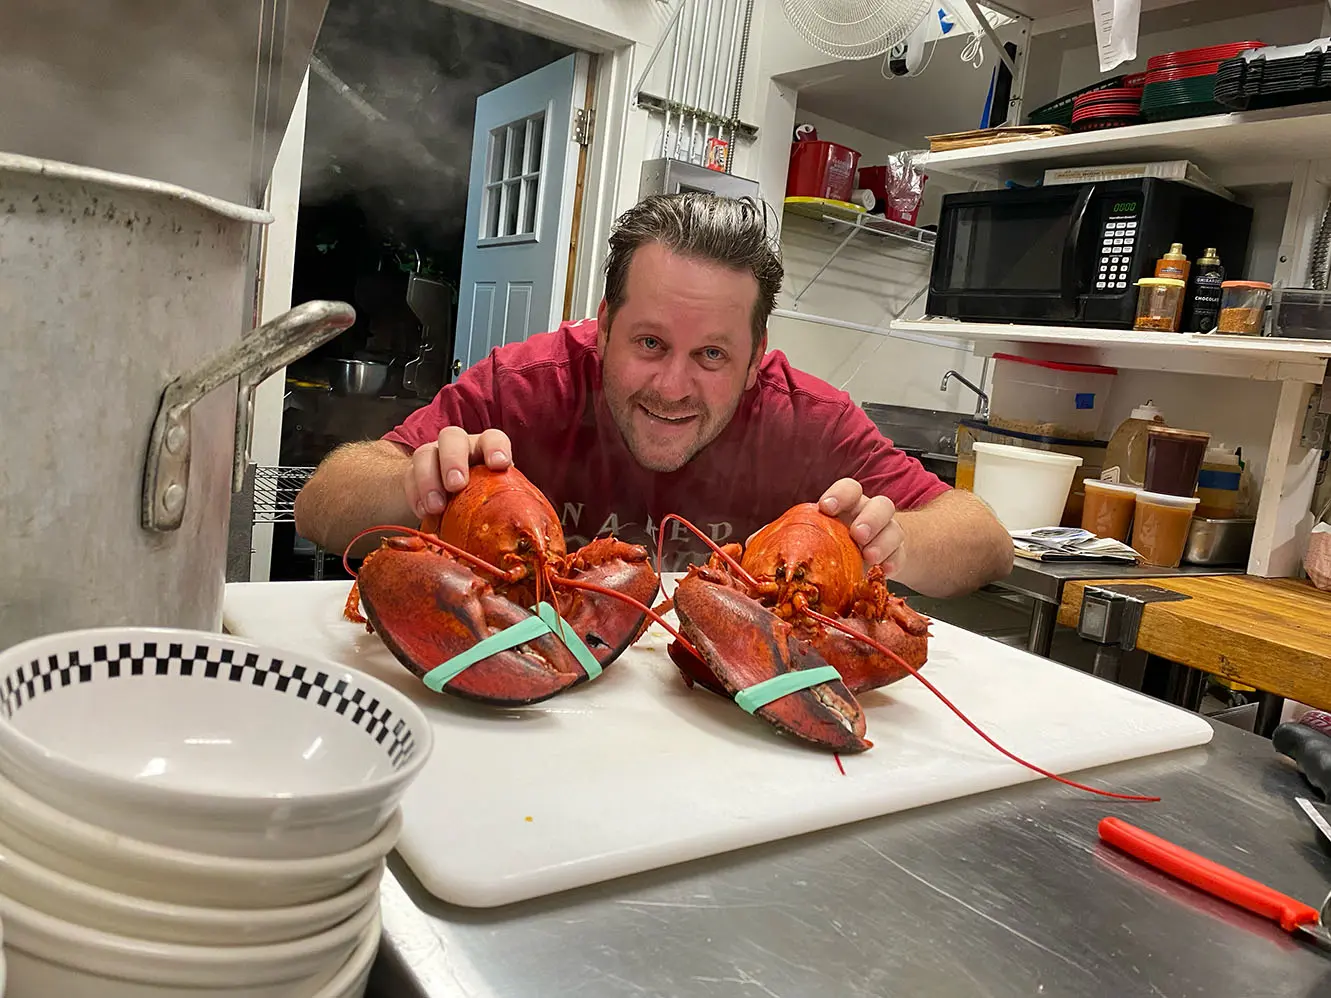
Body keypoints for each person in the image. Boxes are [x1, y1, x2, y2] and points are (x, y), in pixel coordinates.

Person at [294, 193, 1012, 598]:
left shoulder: (809, 417)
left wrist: (896, 541)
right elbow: (323, 502)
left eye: (711, 355)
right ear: (602, 329)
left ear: (757, 356)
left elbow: (986, 541)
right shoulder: (525, 385)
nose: (673, 387)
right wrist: (412, 487)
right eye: (648, 343)